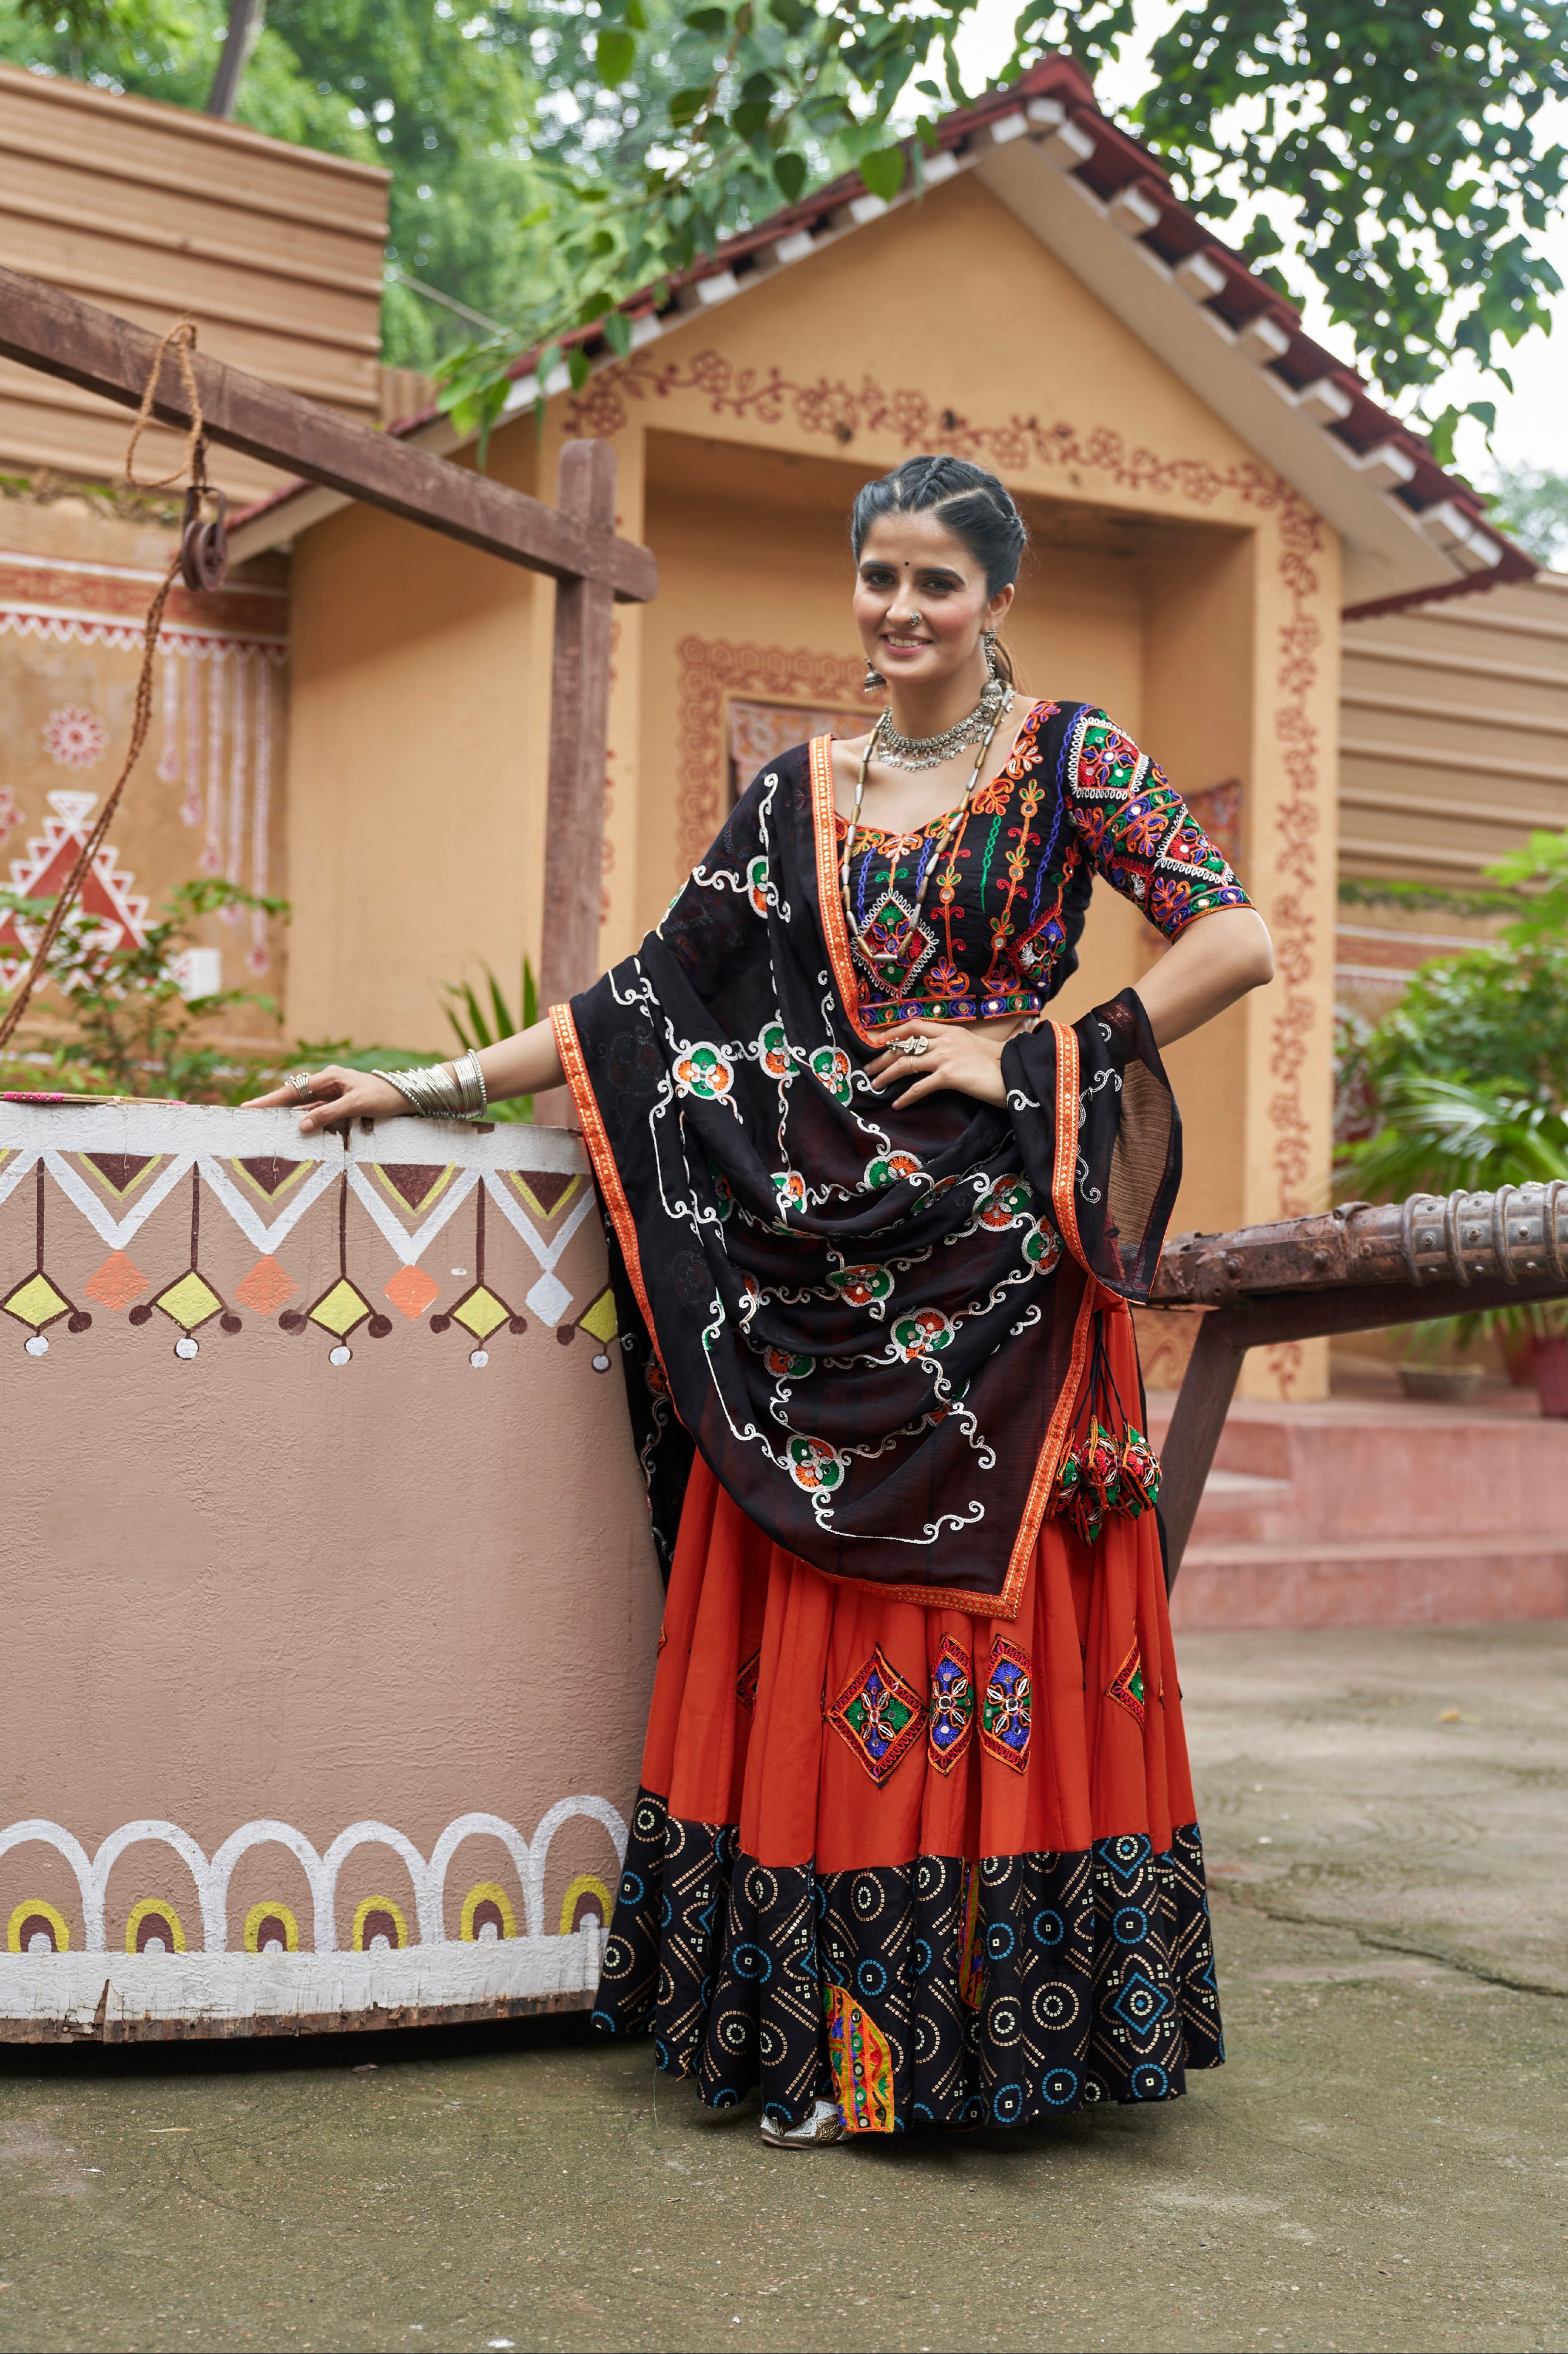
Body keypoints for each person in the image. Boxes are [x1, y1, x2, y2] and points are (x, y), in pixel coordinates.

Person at [253, 454, 1273, 2147]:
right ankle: (833, 2051)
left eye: (936, 581)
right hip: (808, 1281)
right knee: (823, 1655)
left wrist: (1029, 1053)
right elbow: (646, 1005)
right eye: (878, 576)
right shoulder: (797, 791)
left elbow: (1231, 941)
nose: (898, 610)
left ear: (996, 600)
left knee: (973, 1652)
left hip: (1000, 1291)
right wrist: (421, 1083)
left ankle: (980, 2047)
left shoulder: (1068, 756)